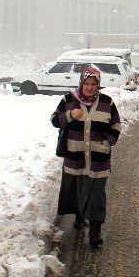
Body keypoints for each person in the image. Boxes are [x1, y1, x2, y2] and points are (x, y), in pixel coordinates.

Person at [51, 67, 122, 246]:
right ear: (81, 83)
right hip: (75, 158)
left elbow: (116, 126)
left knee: (97, 194)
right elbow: (54, 119)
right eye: (86, 84)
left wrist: (107, 143)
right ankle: (80, 216)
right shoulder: (68, 100)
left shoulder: (107, 102)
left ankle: (95, 231)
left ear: (98, 86)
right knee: (78, 190)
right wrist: (69, 115)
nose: (90, 88)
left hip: (99, 160)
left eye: (93, 84)